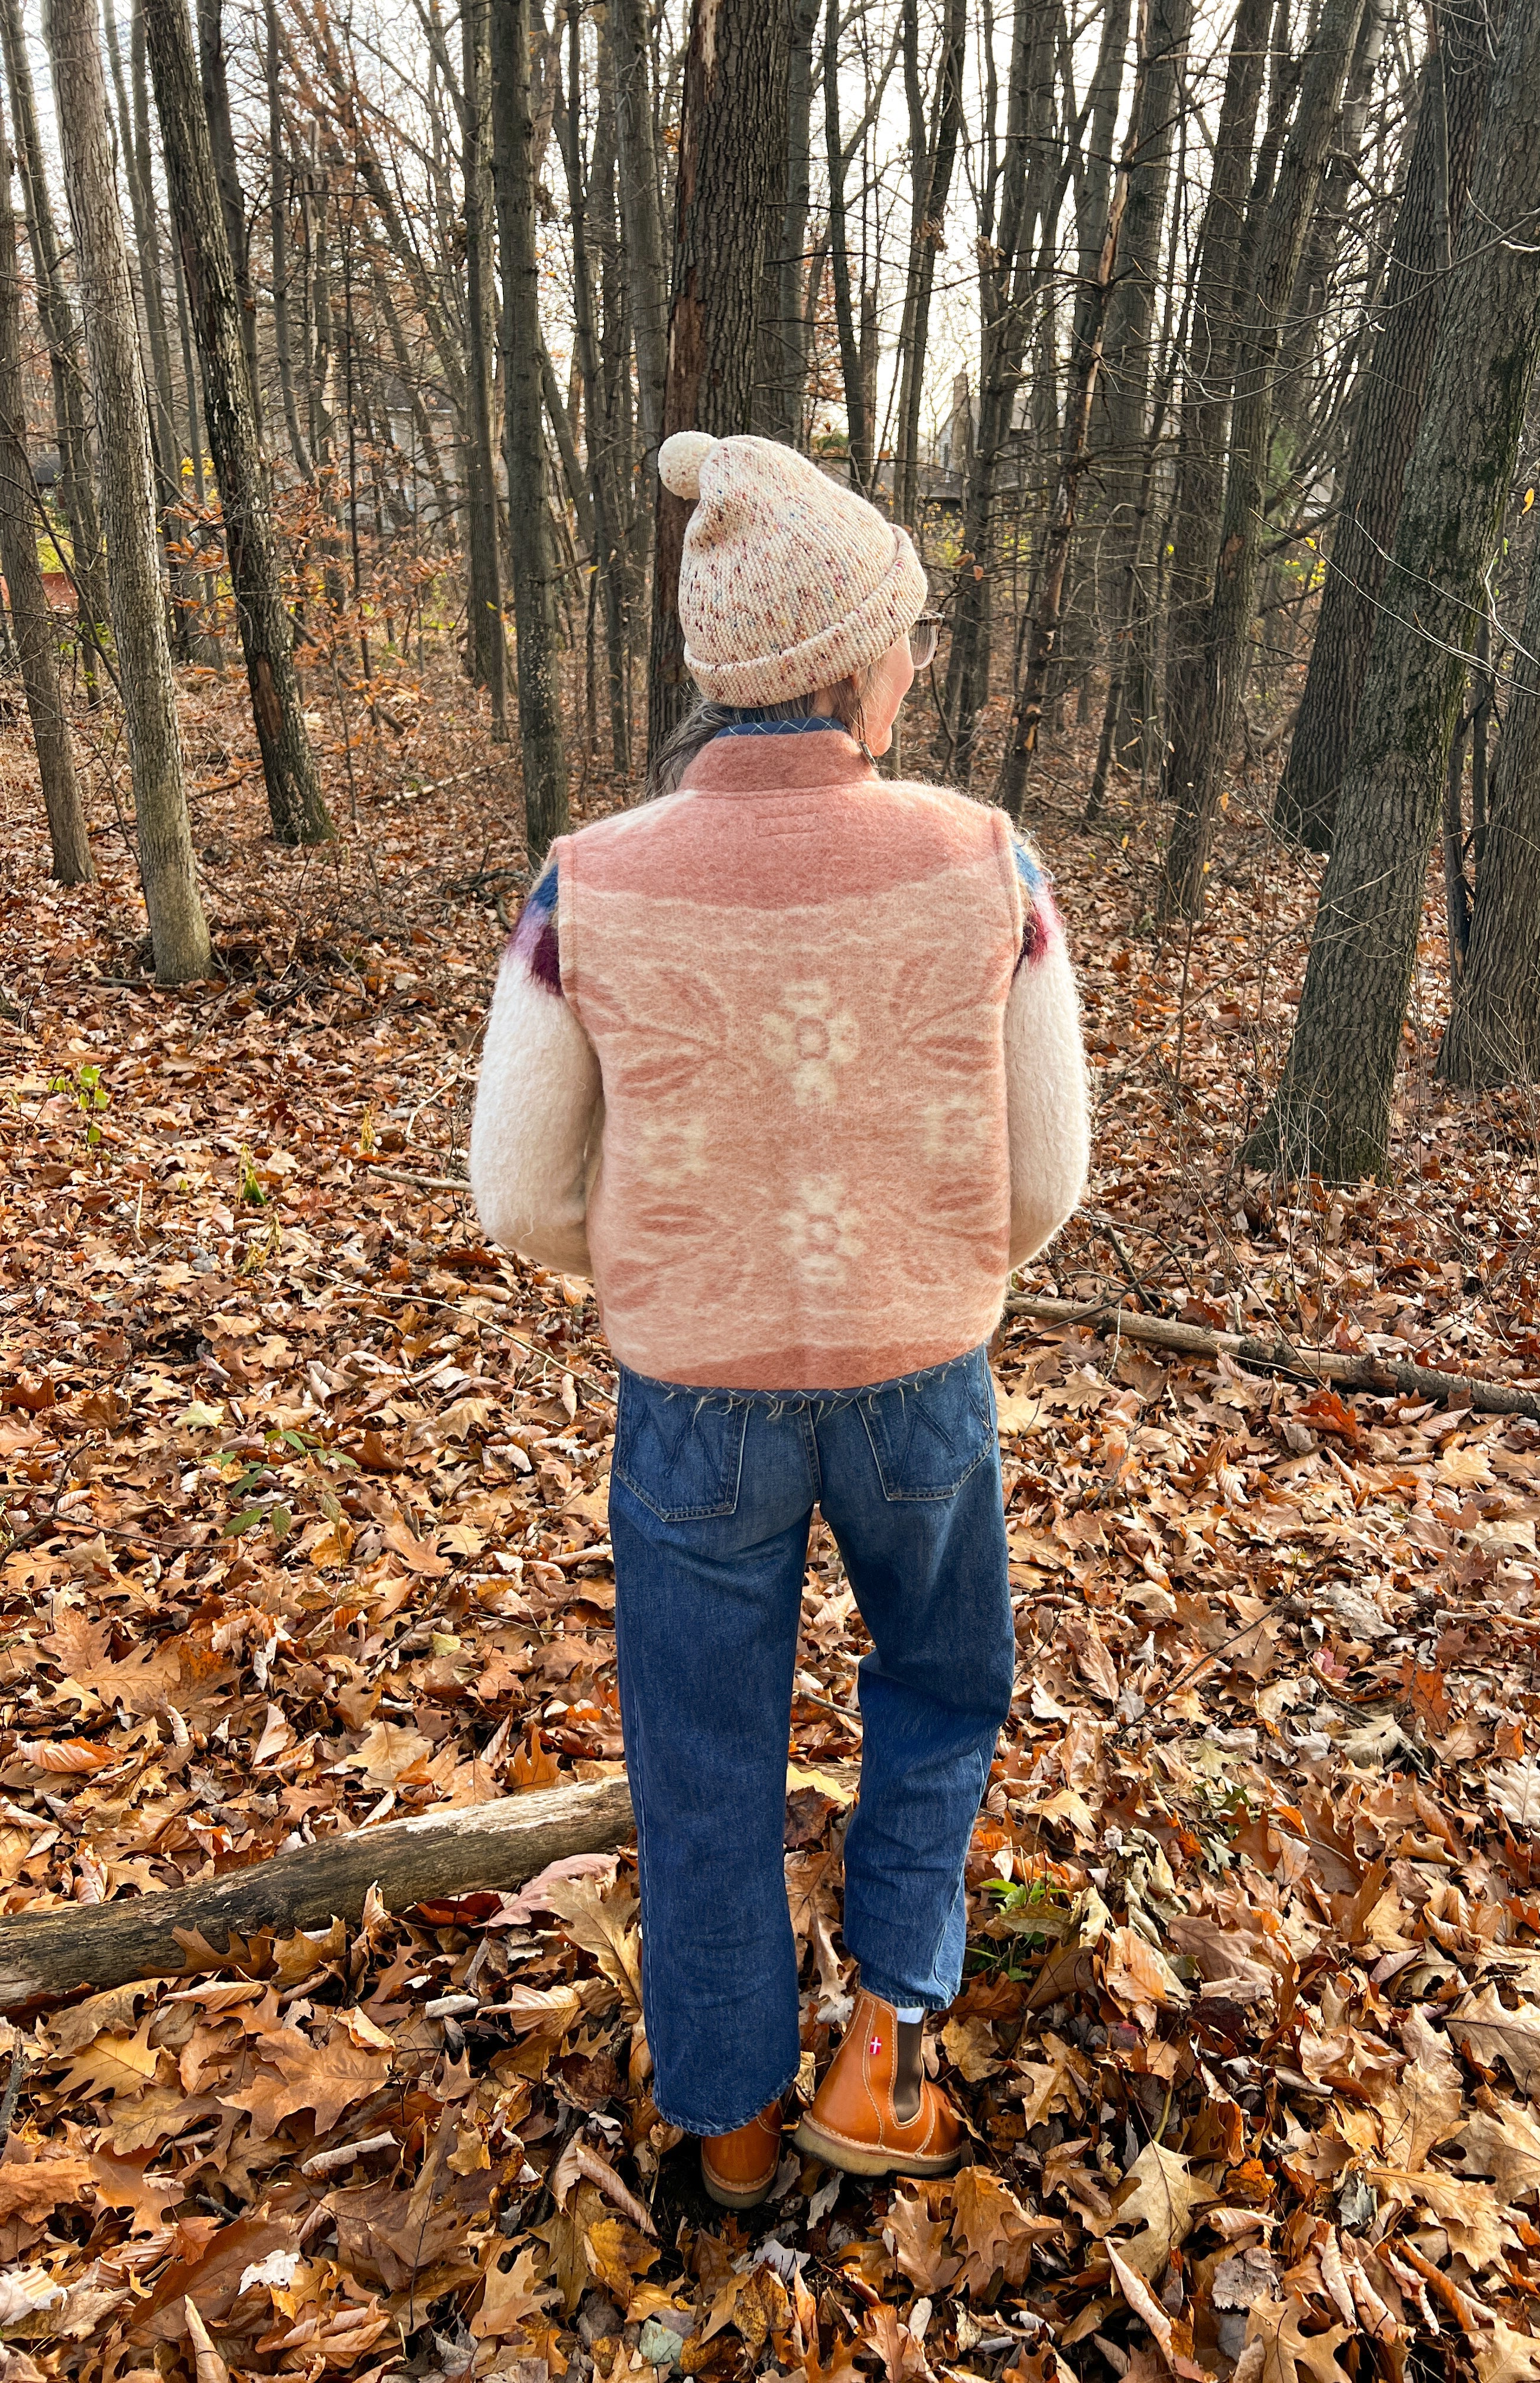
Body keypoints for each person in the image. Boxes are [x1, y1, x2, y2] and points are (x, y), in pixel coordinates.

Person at [470, 431, 1089, 2209]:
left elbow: (516, 1197)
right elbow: (1044, 1184)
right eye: (904, 632)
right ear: (840, 659)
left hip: (691, 1400)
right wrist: (918, 1262)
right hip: (919, 1377)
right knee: (944, 1679)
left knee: (701, 1745)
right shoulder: (989, 865)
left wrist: (668, 1263)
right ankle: (884, 2046)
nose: (914, 663)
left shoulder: (589, 880)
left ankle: (731, 2116)